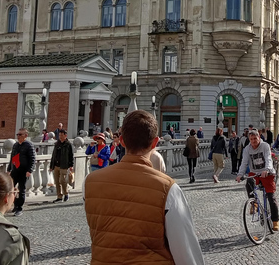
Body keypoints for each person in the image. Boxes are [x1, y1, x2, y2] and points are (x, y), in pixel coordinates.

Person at [84, 110, 204, 264]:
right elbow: (187, 254)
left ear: (121, 141)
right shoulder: (167, 189)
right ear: (155, 143)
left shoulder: (91, 182)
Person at [237, 129, 279, 232]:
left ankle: (275, 221)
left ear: (259, 138)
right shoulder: (247, 149)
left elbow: (268, 158)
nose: (253, 141)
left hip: (267, 172)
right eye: (251, 139)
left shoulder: (265, 146)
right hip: (255, 172)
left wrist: (267, 169)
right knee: (249, 183)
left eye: (255, 138)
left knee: (271, 197)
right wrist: (240, 174)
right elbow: (244, 162)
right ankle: (254, 203)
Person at [8, 128, 36, 216]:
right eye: (17, 134)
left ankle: (19, 208)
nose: (18, 136)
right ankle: (15, 205)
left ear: (25, 136)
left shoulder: (29, 145)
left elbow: (32, 159)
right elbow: (12, 158)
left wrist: (29, 170)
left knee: (21, 189)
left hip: (24, 171)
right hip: (15, 169)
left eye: (20, 134)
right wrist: (9, 169)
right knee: (11, 188)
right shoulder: (15, 145)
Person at [49, 129, 74, 202]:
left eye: (61, 135)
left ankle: (66, 193)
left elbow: (71, 155)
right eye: (59, 135)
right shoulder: (57, 143)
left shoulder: (68, 144)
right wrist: (51, 166)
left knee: (62, 180)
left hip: (64, 165)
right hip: (56, 165)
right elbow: (53, 155)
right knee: (57, 182)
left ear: (65, 135)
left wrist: (71, 165)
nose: (60, 137)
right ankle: (59, 196)